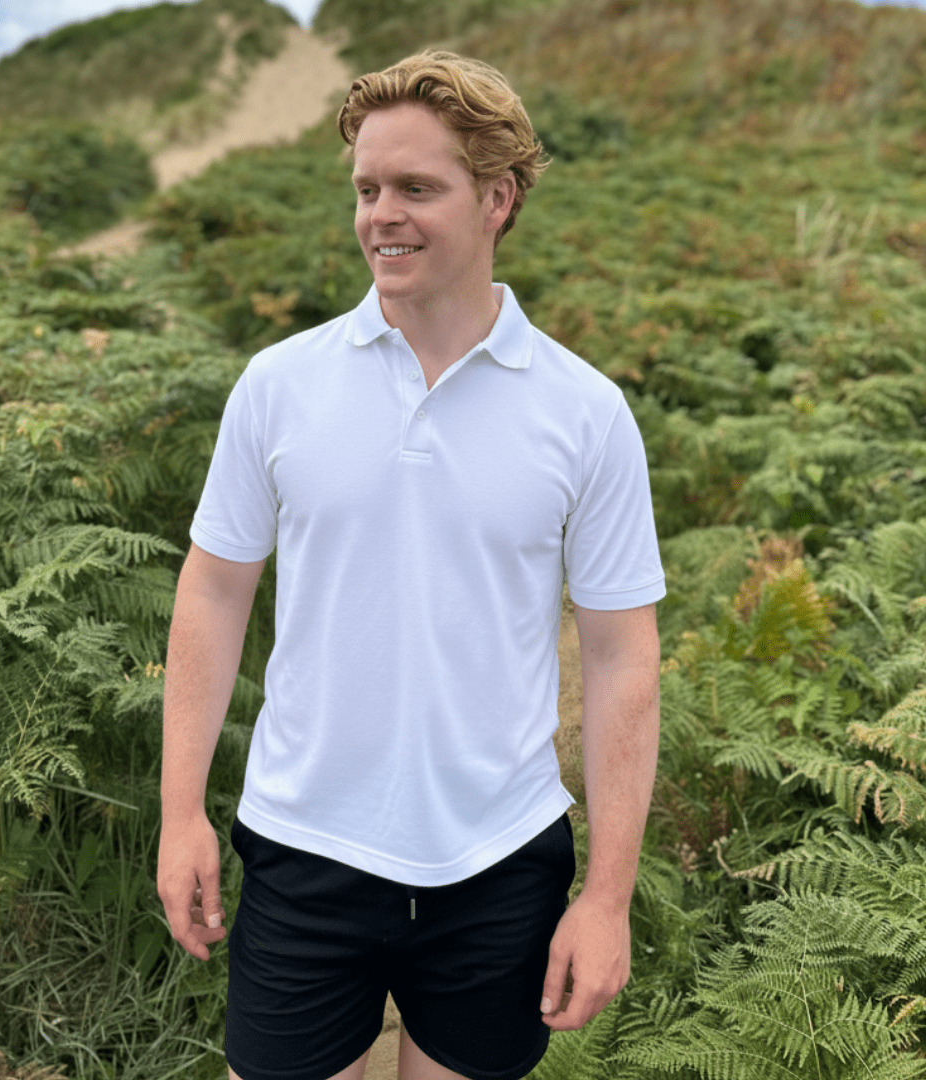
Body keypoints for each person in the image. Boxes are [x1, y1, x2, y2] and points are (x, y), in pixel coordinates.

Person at [157, 50, 664, 1080]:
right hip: (302, 844)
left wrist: (606, 898)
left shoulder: (584, 412)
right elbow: (213, 591)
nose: (382, 214)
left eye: (416, 189)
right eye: (367, 189)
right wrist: (179, 815)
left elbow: (621, 660)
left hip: (500, 861)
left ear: (497, 199)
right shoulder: (277, 386)